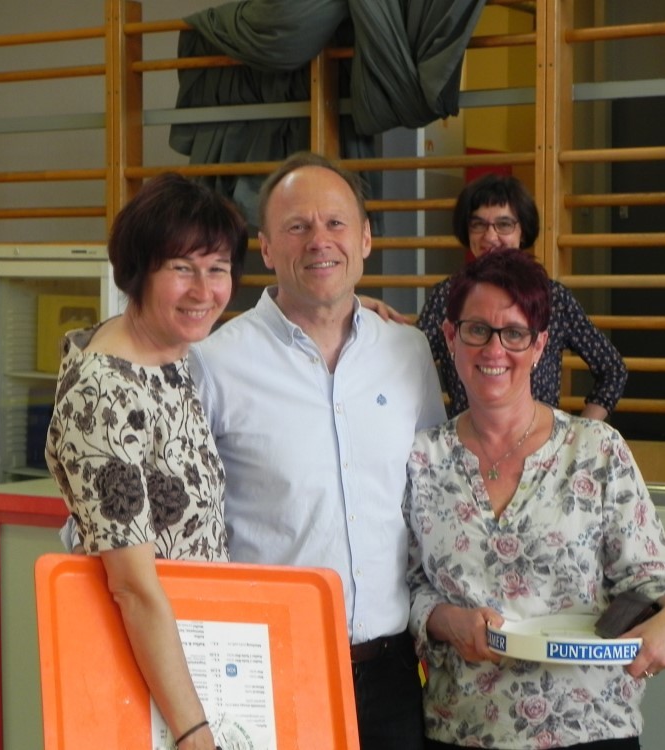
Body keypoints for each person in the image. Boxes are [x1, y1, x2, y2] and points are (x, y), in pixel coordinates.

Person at [190, 152, 447, 750]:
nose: (319, 241)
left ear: (365, 239)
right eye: (297, 226)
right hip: (267, 673)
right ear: (266, 247)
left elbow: (434, 501)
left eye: (335, 223)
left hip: (390, 674)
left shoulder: (408, 352)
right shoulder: (213, 364)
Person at [404, 248, 665, 750]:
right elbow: (404, 586)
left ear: (539, 345)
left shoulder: (596, 449)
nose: (494, 349)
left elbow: (656, 582)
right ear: (450, 338)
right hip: (461, 729)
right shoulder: (422, 458)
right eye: (477, 330)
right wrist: (444, 620)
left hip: (592, 728)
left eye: (514, 333)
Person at [45, 173, 248, 750]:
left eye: (218, 269)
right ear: (138, 271)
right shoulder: (104, 393)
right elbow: (133, 588)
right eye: (182, 268)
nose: (204, 290)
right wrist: (194, 732)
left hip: (195, 657)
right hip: (142, 679)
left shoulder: (169, 353)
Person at [416, 173, 628, 419]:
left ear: (523, 231)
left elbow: (613, 369)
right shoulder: (447, 296)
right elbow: (408, 364)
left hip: (540, 438)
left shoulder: (553, 298)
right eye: (478, 224)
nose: (490, 236)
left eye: (504, 224)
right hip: (467, 438)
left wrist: (581, 432)